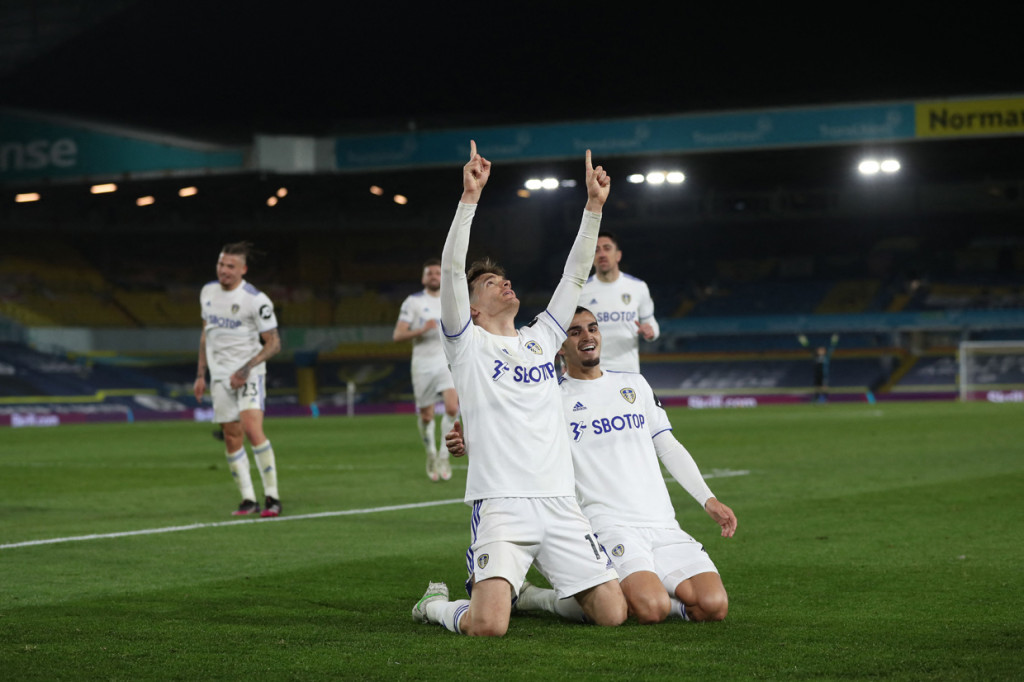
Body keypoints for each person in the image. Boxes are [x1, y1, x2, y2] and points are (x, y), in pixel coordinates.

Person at [411, 141, 627, 637]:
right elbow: (449, 271)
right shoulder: (466, 346)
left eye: (503, 279)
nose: (502, 283)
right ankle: (434, 606)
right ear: (472, 307)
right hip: (503, 503)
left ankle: (529, 597)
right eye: (489, 283)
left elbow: (575, 273)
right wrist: (470, 197)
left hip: (558, 499)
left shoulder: (542, 339)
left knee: (613, 614)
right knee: (487, 627)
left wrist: (594, 208)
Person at [448, 307, 737, 624]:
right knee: (651, 608)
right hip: (608, 525)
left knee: (714, 606)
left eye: (592, 328)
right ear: (559, 344)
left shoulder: (634, 385)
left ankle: (629, 591)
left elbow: (667, 444)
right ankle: (544, 597)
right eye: (575, 332)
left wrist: (708, 499)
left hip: (662, 523)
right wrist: (468, 441)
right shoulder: (549, 397)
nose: (587, 336)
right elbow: (507, 435)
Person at [193, 241, 283, 517]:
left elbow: (274, 343)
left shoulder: (256, 300)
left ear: (243, 269)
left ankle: (272, 497)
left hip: (249, 373)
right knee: (231, 437)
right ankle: (248, 499)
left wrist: (245, 369)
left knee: (252, 429)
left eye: (231, 266)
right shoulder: (207, 292)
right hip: (220, 376)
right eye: (221, 264)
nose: (224, 270)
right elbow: (206, 335)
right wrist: (200, 374)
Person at [393, 258, 459, 481]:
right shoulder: (412, 302)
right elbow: (398, 335)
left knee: (452, 408)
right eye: (429, 273)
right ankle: (430, 453)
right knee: (427, 414)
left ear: (443, 277)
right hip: (422, 364)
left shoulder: (451, 300)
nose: (433, 276)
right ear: (423, 278)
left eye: (437, 273)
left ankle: (443, 456)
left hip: (446, 362)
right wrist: (422, 329)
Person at [578, 231, 659, 372]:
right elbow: (567, 333)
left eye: (607, 248)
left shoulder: (638, 287)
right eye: (596, 250)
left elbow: (651, 323)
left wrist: (651, 332)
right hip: (593, 373)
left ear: (618, 255)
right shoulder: (580, 291)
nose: (602, 254)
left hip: (629, 372)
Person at [798, 333, 840, 403]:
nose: (821, 351)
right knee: (816, 388)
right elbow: (808, 347)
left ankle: (825, 399)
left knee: (824, 387)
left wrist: (834, 340)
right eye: (820, 350)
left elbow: (832, 347)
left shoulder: (826, 356)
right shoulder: (815, 356)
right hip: (817, 375)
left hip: (823, 375)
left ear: (824, 351)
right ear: (817, 351)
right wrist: (803, 340)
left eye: (822, 350)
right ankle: (815, 399)